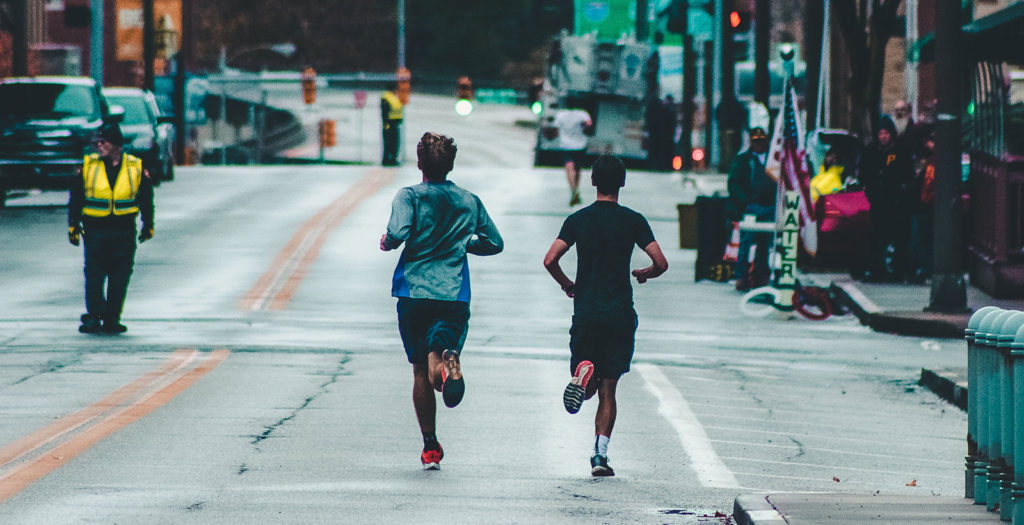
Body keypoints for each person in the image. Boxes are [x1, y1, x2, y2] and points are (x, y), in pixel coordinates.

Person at [380, 132, 503, 471]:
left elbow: (399, 232)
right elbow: (494, 242)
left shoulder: (409, 196)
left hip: (413, 293)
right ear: (450, 164)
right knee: (439, 354)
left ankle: (430, 446)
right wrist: (464, 244)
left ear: (420, 163)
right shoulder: (469, 201)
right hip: (453, 296)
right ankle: (449, 364)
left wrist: (388, 242)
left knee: (420, 369)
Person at [543, 155, 668, 477]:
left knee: (589, 385)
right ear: (622, 183)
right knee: (609, 390)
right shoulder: (633, 220)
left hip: (586, 311)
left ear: (593, 182)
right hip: (619, 314)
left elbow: (550, 259)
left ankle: (584, 376)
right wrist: (645, 273)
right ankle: (599, 456)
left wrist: (567, 284)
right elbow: (661, 262)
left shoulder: (578, 220)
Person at [68, 123, 155, 334]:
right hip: (95, 229)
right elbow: (76, 197)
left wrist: (148, 224)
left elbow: (145, 197)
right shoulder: (88, 166)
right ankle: (94, 316)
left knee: (120, 276)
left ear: (116, 144)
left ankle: (112, 318)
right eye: (97, 142)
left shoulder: (135, 166)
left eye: (103, 142)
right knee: (95, 274)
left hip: (124, 230)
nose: (98, 146)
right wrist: (73, 225)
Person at [859, 115, 915, 282]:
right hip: (878, 203)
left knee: (900, 240)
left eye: (886, 133)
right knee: (877, 239)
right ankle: (877, 271)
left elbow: (907, 175)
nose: (883, 137)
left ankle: (898, 272)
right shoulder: (871, 152)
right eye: (881, 133)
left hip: (898, 204)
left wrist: (902, 192)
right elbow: (864, 174)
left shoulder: (901, 151)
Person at [725, 127, 776, 291]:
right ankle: (742, 276)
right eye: (756, 141)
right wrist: (744, 202)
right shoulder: (743, 160)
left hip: (769, 206)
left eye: (762, 141)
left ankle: (761, 275)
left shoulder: (774, 159)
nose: (759, 145)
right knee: (745, 242)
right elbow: (734, 183)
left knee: (764, 243)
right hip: (751, 207)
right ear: (752, 142)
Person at [908, 125, 936, 283]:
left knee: (923, 240)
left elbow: (928, 185)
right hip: (924, 207)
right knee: (922, 240)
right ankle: (922, 269)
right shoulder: (929, 160)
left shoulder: (932, 161)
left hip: (926, 206)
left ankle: (924, 270)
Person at [553, 100, 593, 207]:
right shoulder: (582, 114)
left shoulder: (560, 115)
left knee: (569, 167)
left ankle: (573, 190)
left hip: (565, 145)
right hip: (580, 145)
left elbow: (556, 131)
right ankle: (576, 189)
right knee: (578, 169)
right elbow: (589, 124)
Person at [380, 82, 404, 166]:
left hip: (395, 123)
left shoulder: (394, 97)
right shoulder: (386, 97)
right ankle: (387, 159)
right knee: (388, 142)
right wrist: (385, 123)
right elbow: (385, 111)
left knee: (395, 142)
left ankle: (392, 159)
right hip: (389, 124)